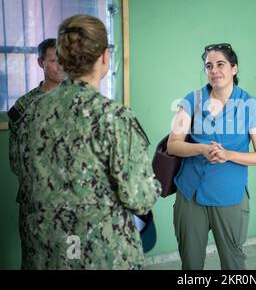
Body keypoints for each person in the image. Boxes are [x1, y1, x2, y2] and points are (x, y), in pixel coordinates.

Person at [10, 14, 161, 269]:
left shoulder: (30, 112)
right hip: (100, 254)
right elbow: (140, 197)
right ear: (104, 57)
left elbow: (19, 168)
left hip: (45, 251)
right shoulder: (114, 117)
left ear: (63, 58)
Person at [167, 43, 256, 270]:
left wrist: (228, 154)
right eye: (209, 66)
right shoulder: (191, 100)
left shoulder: (250, 106)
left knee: (233, 264)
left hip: (230, 194)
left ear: (234, 68)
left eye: (220, 64)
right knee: (191, 264)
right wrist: (202, 149)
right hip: (190, 193)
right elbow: (173, 145)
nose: (214, 71)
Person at [8, 38, 64, 174]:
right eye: (53, 61)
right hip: (34, 186)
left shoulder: (77, 100)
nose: (60, 66)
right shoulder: (23, 105)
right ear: (41, 63)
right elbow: (16, 159)